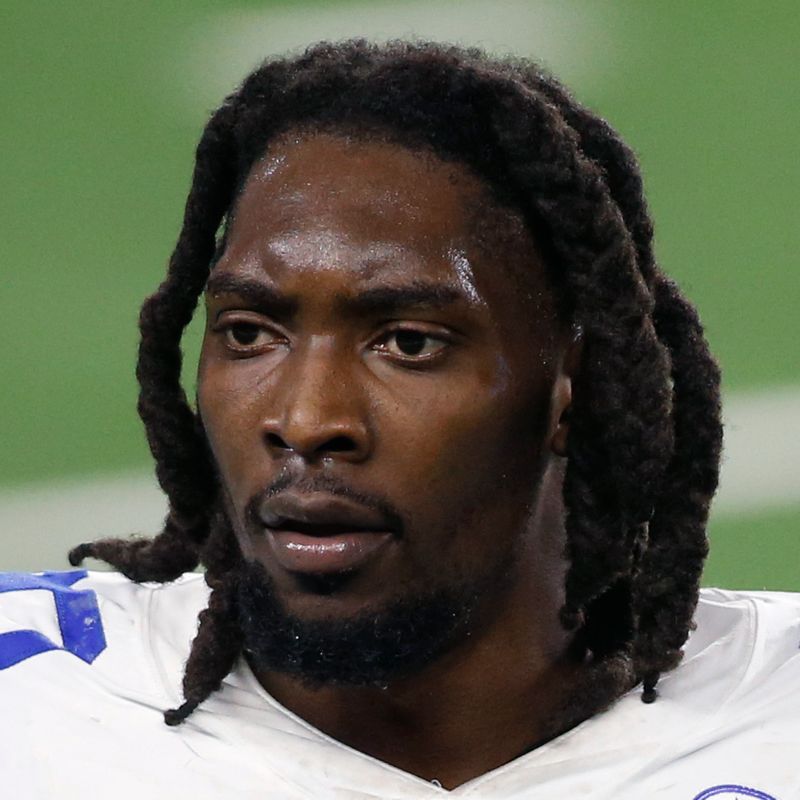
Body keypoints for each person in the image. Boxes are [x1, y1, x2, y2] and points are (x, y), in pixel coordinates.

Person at [2, 40, 797, 799]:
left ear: (572, 387)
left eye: (408, 343)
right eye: (249, 334)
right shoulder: (32, 697)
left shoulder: (776, 717)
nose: (305, 419)